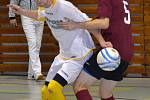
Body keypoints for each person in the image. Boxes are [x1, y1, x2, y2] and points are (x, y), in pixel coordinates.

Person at [8, 0, 113, 100]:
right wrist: (21, 11)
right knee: (46, 91)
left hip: (78, 54)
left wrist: (102, 41)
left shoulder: (64, 6)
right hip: (63, 54)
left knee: (54, 88)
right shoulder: (45, 7)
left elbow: (88, 23)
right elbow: (39, 15)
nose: (37, 0)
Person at [58, 0, 133, 100]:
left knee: (80, 86)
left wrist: (76, 25)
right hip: (127, 51)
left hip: (112, 50)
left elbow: (103, 23)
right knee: (105, 93)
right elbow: (100, 24)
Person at [9, 0, 45, 80]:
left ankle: (31, 74)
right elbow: (13, 2)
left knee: (37, 45)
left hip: (39, 15)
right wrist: (12, 16)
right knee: (32, 43)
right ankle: (37, 72)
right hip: (26, 15)